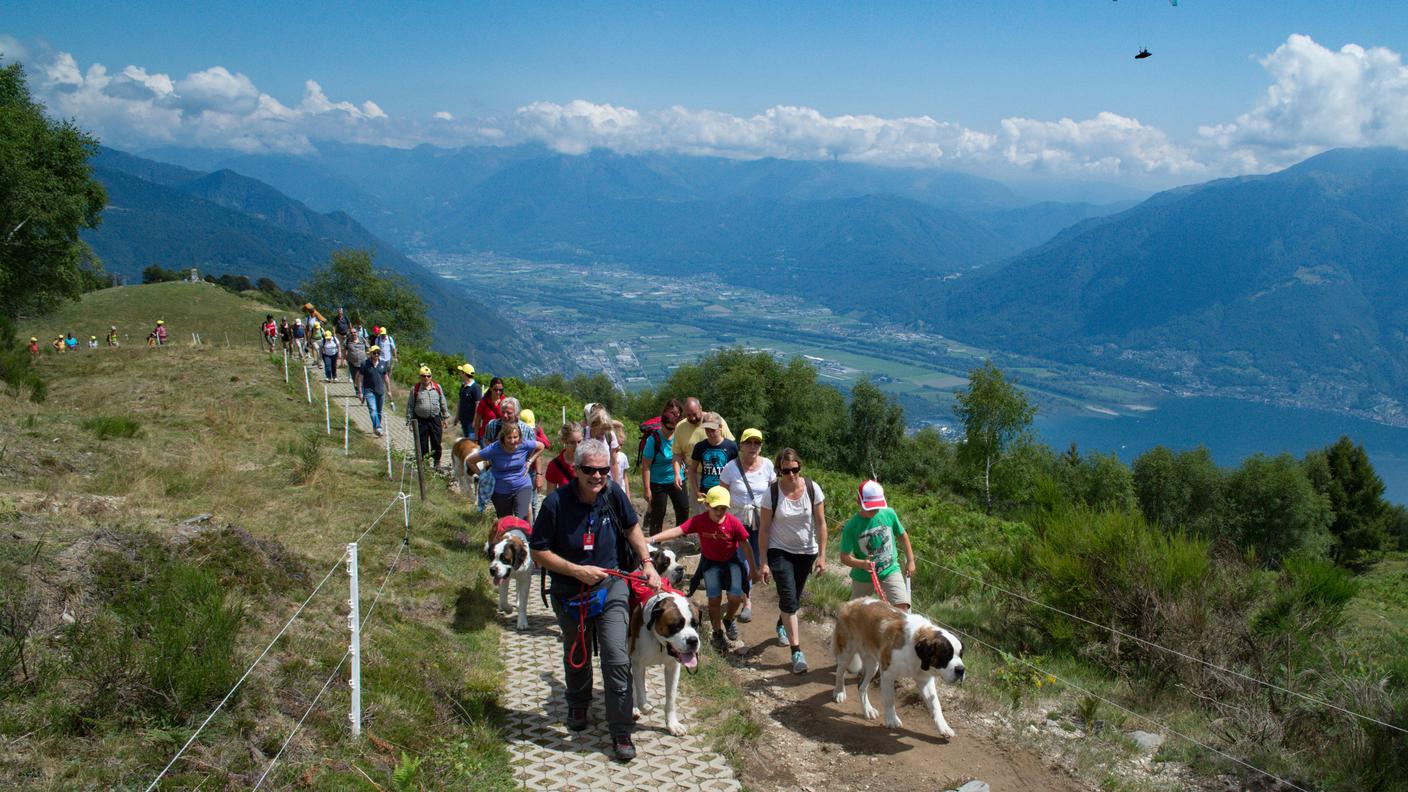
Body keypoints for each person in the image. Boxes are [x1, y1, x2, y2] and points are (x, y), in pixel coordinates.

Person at [529, 437, 659, 762]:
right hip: (570, 592)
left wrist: (647, 564)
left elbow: (632, 528)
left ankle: (621, 730)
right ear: (576, 470)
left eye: (603, 470)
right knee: (578, 652)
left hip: (612, 585)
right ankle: (577, 703)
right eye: (590, 470)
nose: (597, 476)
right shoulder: (555, 504)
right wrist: (575, 571)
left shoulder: (613, 493)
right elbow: (538, 550)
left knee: (616, 654)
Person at [651, 486, 760, 653]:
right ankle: (717, 633)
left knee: (735, 597)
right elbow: (678, 530)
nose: (720, 512)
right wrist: (652, 538)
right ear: (707, 505)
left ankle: (729, 619)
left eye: (723, 508)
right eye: (716, 508)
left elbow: (746, 546)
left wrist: (753, 569)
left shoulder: (733, 522)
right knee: (714, 600)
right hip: (711, 564)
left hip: (732, 563)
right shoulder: (700, 521)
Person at [757, 448, 827, 674]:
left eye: (795, 469)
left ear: (800, 467)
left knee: (793, 598)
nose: (792, 475)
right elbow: (764, 530)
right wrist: (764, 561)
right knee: (789, 598)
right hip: (780, 551)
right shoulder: (772, 493)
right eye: (786, 471)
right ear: (779, 470)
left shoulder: (812, 488)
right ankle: (797, 652)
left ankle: (781, 624)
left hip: (806, 552)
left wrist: (823, 555)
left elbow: (821, 523)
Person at [718, 427, 773, 623]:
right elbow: (722, 495)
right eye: (748, 443)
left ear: (761, 446)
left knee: (755, 564)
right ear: (741, 445)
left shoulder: (767, 465)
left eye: (756, 443)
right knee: (740, 563)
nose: (752, 446)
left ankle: (742, 593)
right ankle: (747, 602)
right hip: (736, 523)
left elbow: (773, 493)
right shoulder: (730, 468)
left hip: (760, 523)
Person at [839, 480, 914, 611]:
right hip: (863, 575)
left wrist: (911, 560)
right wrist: (862, 564)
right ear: (859, 501)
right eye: (870, 508)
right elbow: (844, 557)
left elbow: (902, 535)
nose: (874, 511)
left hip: (890, 569)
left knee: (902, 607)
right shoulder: (851, 527)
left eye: (877, 507)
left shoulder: (889, 513)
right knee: (854, 612)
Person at [480, 395, 542, 513]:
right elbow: (486, 440)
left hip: (523, 475)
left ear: (517, 413)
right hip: (500, 476)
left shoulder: (526, 429)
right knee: (504, 510)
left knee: (529, 508)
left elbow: (537, 449)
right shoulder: (493, 425)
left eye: (509, 413)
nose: (505, 416)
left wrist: (538, 474)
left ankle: (528, 530)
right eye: (503, 412)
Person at [464, 420, 538, 519]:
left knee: (522, 517)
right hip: (501, 491)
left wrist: (529, 461)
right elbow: (470, 461)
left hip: (522, 485)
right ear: (503, 438)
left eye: (515, 437)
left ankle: (526, 534)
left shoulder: (524, 444)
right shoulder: (494, 449)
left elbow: (540, 446)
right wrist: (483, 475)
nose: (512, 441)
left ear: (520, 437)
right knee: (505, 520)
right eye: (509, 438)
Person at [672, 397, 734, 514]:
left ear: (701, 408)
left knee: (722, 510)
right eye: (688, 415)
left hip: (722, 474)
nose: (692, 418)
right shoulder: (680, 427)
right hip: (696, 475)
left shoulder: (716, 421)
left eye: (694, 414)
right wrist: (677, 474)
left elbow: (730, 447)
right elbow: (677, 454)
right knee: (701, 512)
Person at [641, 400, 688, 537]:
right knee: (658, 514)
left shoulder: (680, 436)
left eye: (677, 414)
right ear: (664, 415)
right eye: (672, 413)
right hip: (657, 482)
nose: (674, 417)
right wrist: (647, 489)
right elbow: (646, 466)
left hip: (677, 479)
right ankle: (655, 545)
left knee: (683, 509)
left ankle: (681, 539)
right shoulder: (653, 440)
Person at [689, 413, 738, 508]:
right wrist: (696, 491)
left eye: (713, 430)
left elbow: (736, 472)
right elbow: (692, 470)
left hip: (725, 493)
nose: (710, 433)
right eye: (707, 430)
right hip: (706, 493)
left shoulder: (731, 446)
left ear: (720, 427)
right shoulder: (700, 447)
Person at [406, 365, 450, 469]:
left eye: (428, 376)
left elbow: (442, 402)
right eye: (424, 376)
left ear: (431, 377)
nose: (426, 378)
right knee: (422, 443)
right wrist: (410, 421)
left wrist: (445, 417)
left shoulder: (437, 388)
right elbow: (410, 406)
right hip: (421, 420)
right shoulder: (415, 389)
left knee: (436, 442)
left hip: (435, 419)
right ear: (420, 377)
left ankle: (437, 462)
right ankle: (424, 463)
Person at [359, 345, 393, 436]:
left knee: (378, 411)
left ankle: (376, 427)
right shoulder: (364, 364)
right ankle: (378, 427)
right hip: (369, 391)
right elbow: (361, 378)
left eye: (378, 353)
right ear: (371, 354)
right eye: (374, 353)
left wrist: (389, 390)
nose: (377, 354)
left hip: (380, 391)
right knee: (373, 410)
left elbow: (386, 377)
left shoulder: (383, 363)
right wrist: (360, 392)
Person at [546, 422, 581, 488]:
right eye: (572, 442)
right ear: (564, 441)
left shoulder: (588, 461)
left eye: (579, 442)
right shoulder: (554, 465)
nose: (577, 446)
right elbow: (551, 496)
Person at [474, 377, 505, 446]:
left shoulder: (505, 401)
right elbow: (477, 421)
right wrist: (476, 438)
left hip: (500, 437)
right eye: (495, 390)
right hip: (486, 437)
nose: (498, 392)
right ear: (490, 389)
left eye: (500, 390)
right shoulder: (484, 402)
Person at [454, 363, 481, 439]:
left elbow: (477, 405)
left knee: (471, 440)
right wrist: (457, 416)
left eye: (461, 372)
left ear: (464, 374)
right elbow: (460, 401)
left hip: (471, 421)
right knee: (466, 439)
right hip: (463, 419)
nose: (460, 374)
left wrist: (475, 421)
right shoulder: (463, 386)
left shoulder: (475, 388)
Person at [345, 331, 369, 398]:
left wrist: (368, 354)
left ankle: (363, 391)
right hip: (353, 363)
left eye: (354, 332)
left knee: (363, 377)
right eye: (352, 332)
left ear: (357, 333)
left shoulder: (362, 339)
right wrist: (345, 356)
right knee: (355, 377)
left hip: (363, 362)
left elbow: (368, 347)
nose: (353, 334)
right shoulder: (348, 341)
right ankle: (357, 391)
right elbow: (345, 349)